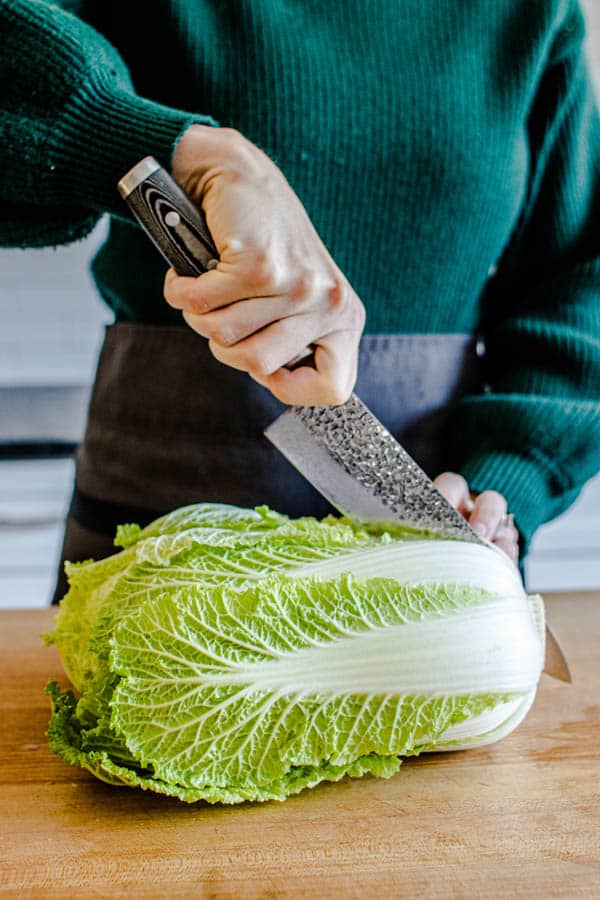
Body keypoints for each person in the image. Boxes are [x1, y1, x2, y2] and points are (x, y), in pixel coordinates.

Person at [1, 0, 599, 601]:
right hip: (160, 539)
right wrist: (174, 150)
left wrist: (505, 483)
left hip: (438, 552)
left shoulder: (532, 14)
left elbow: (581, 287)